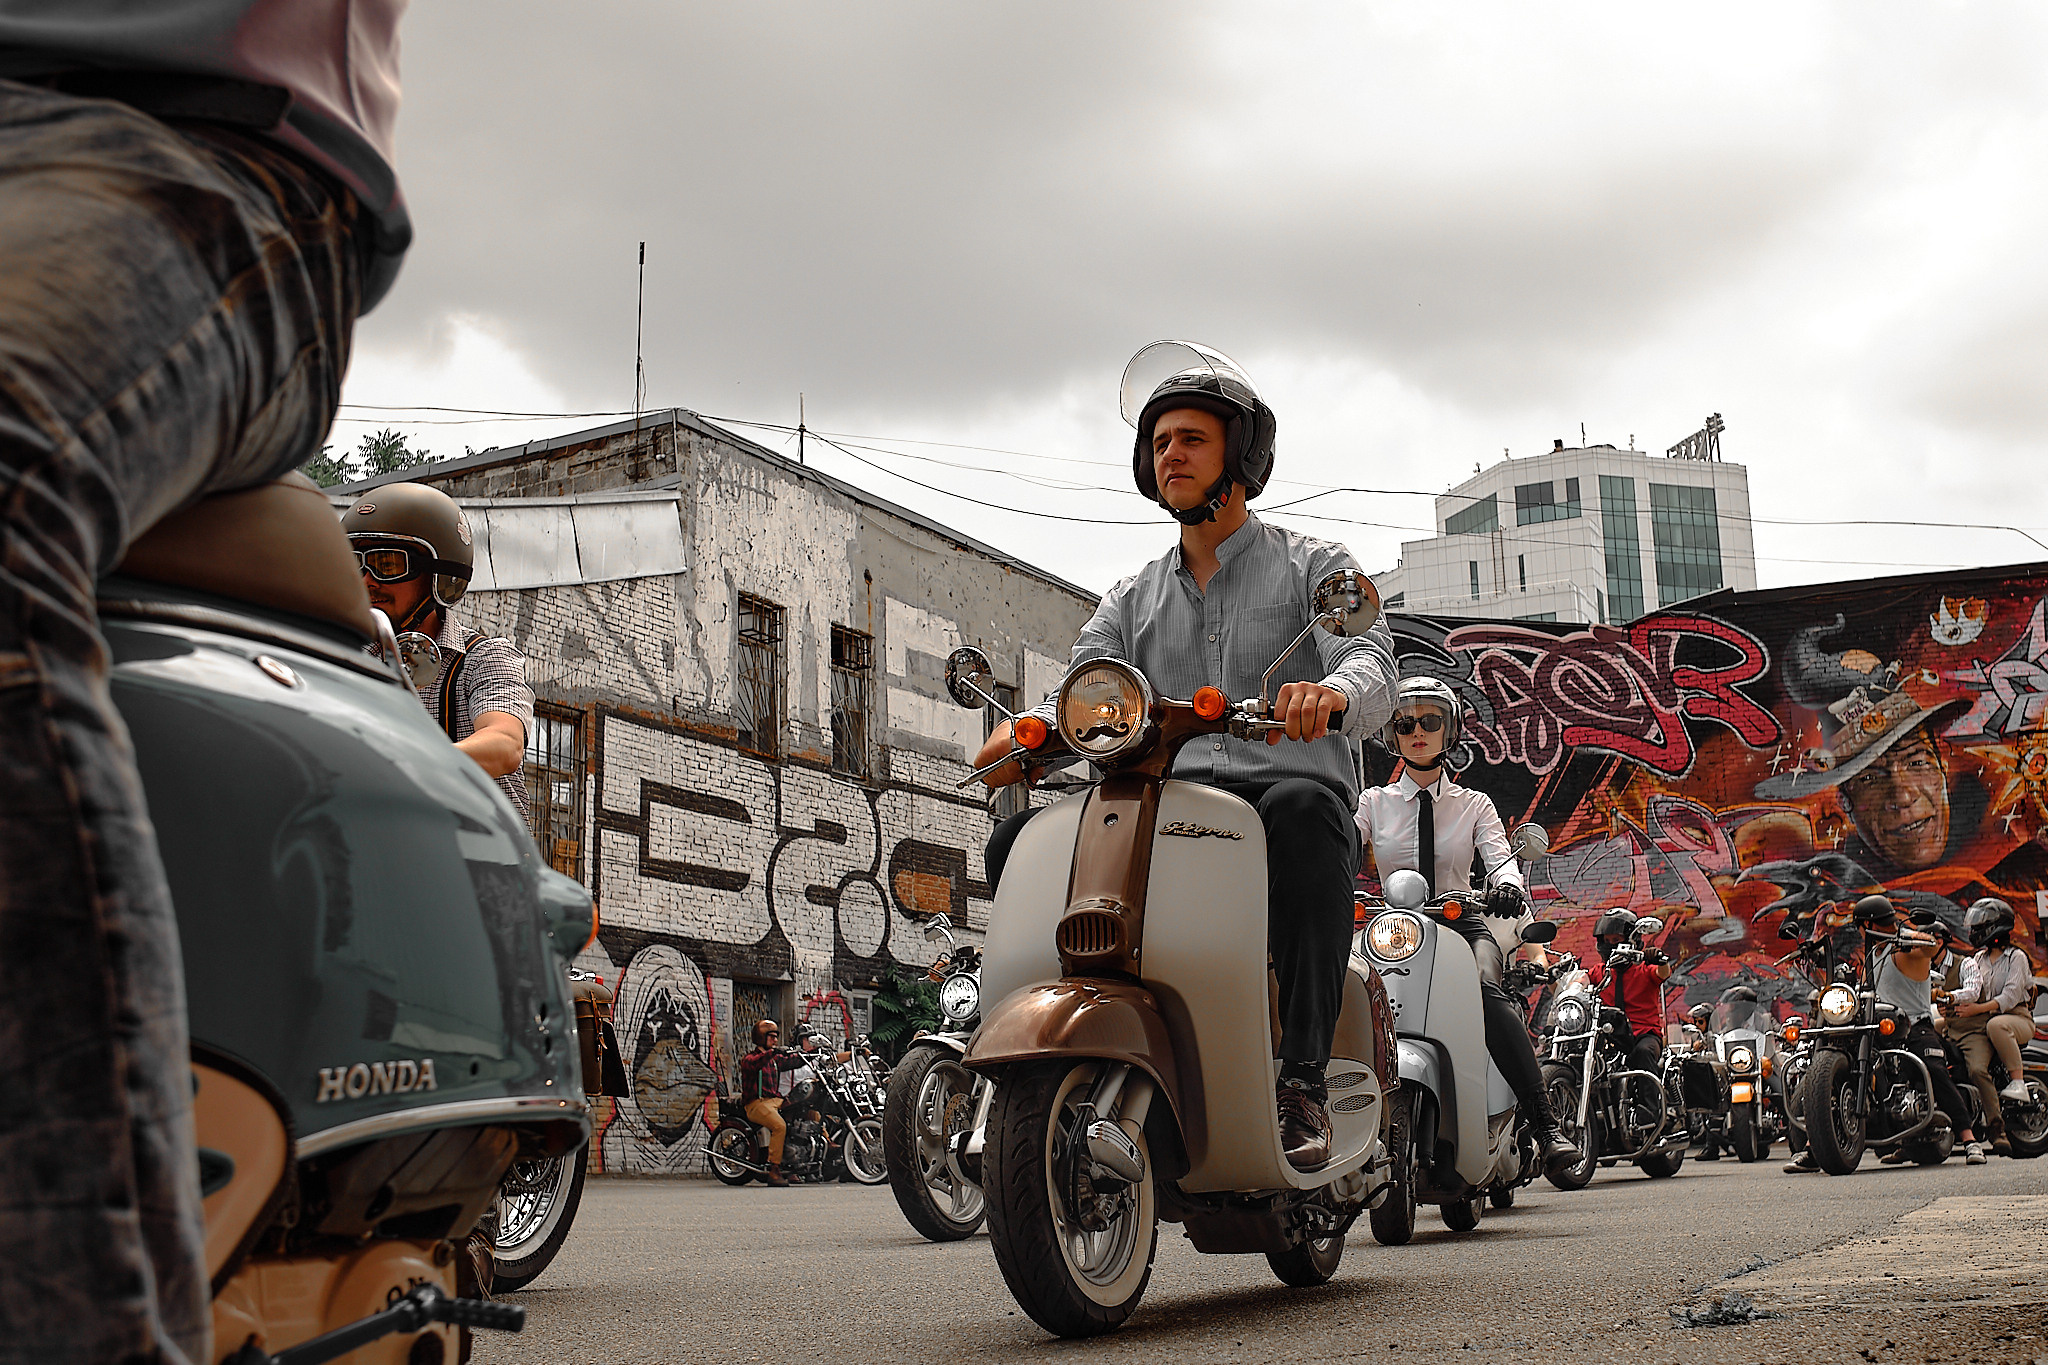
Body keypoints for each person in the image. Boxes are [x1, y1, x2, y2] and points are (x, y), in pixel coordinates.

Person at [0, 9, 407, 1361]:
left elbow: (507, 733)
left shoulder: (471, 653)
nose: (403, 579)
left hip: (178, 146)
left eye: (419, 565)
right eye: (390, 559)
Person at [976, 342, 1397, 1171]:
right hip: (1164, 813)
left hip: (1277, 803)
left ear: (1239, 457)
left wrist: (1334, 694)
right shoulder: (1130, 599)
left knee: (1311, 817)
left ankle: (1302, 1077)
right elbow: (1083, 690)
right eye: (1160, 441)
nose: (1171, 452)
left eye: (1192, 439)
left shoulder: (1314, 569)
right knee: (1020, 843)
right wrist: (1026, 734)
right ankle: (1020, 1056)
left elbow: (1372, 659)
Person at [1354, 676, 1582, 1174]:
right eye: (1405, 722)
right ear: (1392, 733)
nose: (1417, 730)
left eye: (1430, 721)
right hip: (1392, 929)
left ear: (1449, 730)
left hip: (1462, 925)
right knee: (1347, 994)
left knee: (1486, 993)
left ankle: (1545, 1127)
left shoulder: (1474, 805)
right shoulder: (1373, 803)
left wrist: (1508, 887)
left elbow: (1502, 860)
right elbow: (1345, 845)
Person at [343, 482, 534, 815]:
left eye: (386, 564)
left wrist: (400, 765)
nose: (367, 581)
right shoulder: (349, 660)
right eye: (355, 564)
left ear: (437, 573)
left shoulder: (483, 659)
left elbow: (505, 743)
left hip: (483, 858)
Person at [1860, 896, 1985, 1164]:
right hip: (1881, 1028)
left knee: (1933, 1069)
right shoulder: (1873, 955)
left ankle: (1969, 1139)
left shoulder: (1906, 947)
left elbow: (1929, 946)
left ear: (1865, 926)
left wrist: (1909, 936)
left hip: (1915, 1025)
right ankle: (1816, 1146)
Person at [1945, 897, 2038, 1157]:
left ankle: (2011, 1096)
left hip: (2015, 1017)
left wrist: (1976, 1009)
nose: (1973, 932)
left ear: (1995, 927)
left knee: (1994, 1034)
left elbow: (2009, 998)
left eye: (1978, 927)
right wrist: (1952, 1004)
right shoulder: (1978, 959)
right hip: (1985, 1019)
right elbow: (1972, 992)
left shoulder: (2016, 957)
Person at [1588, 908, 1672, 1076]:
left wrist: (1660, 959)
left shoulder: (1645, 968)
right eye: (1608, 940)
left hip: (1644, 1035)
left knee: (1643, 1052)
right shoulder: (1600, 972)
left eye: (1616, 940)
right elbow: (1579, 982)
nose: (1612, 945)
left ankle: (1649, 1103)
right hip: (1611, 1036)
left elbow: (1663, 973)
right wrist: (1555, 978)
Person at [738, 1020, 808, 1187]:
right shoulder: (749, 1059)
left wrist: (809, 1053)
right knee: (779, 1126)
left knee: (804, 1110)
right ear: (761, 1038)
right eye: (771, 1037)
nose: (775, 1040)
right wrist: (775, 1052)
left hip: (775, 1100)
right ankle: (774, 1169)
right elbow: (757, 1063)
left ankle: (794, 1163)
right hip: (757, 1103)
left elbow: (794, 1062)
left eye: (776, 1037)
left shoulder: (775, 1059)